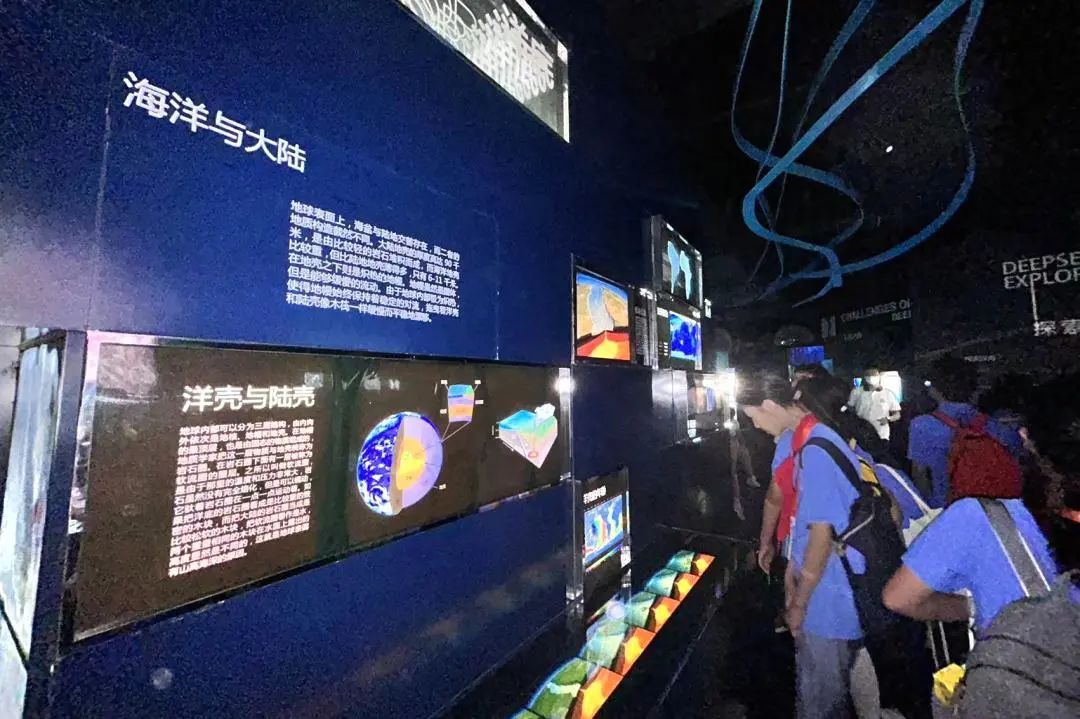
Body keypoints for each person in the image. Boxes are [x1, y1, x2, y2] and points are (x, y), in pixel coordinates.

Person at [739, 371, 865, 718]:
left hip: (829, 596)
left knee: (821, 697)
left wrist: (798, 603)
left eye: (753, 416)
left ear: (768, 405)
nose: (756, 426)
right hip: (824, 585)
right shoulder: (811, 436)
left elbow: (822, 534)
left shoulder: (816, 450)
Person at [907, 356, 1023, 508]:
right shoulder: (998, 427)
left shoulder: (921, 425)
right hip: (997, 510)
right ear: (974, 390)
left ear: (934, 390)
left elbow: (920, 475)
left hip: (948, 509)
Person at [848, 368, 901, 441]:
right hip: (861, 432)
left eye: (874, 376)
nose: (871, 378)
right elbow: (850, 408)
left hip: (881, 433)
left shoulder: (888, 394)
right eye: (869, 376)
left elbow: (897, 415)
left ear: (879, 377)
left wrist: (888, 419)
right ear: (865, 378)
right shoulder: (856, 392)